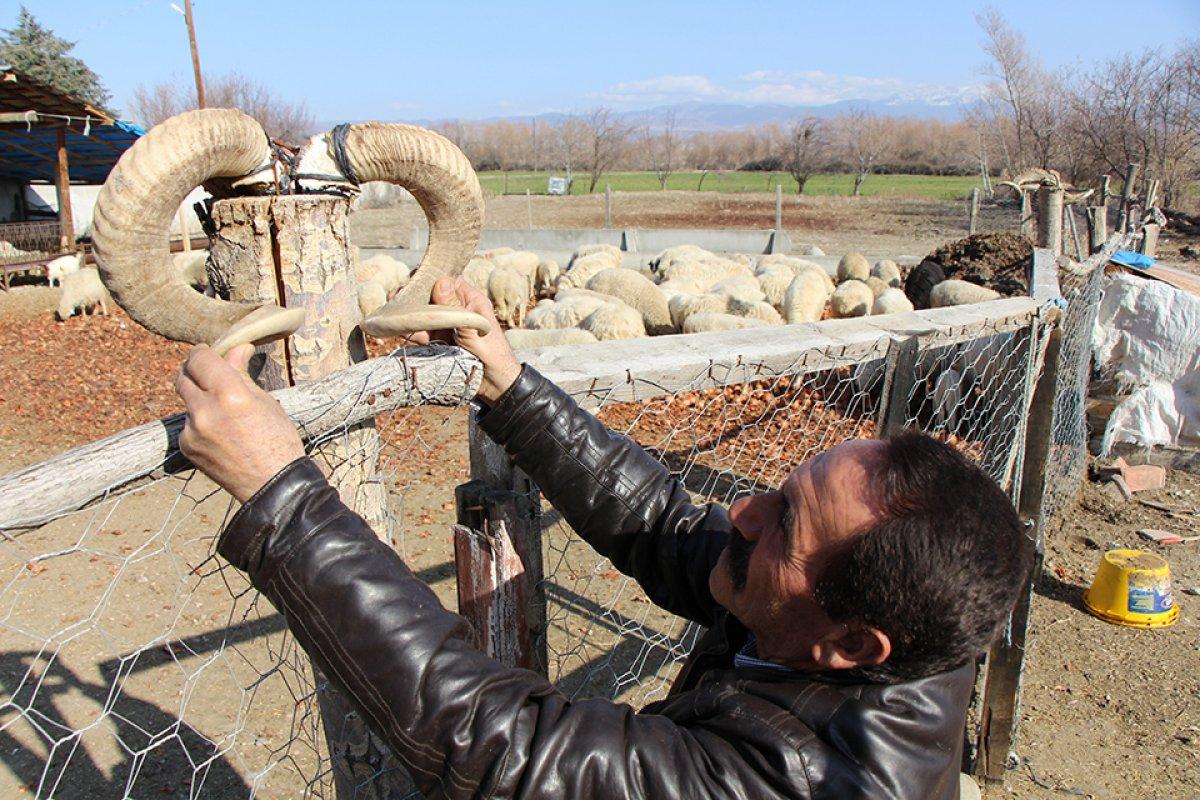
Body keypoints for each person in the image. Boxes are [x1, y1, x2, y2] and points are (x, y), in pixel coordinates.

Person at [175, 276, 1030, 800]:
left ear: (852, 645)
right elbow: (666, 526)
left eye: (784, 527)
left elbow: (505, 749)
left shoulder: (795, 782)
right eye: (778, 493)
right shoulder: (907, 623)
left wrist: (283, 496)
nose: (742, 513)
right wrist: (508, 384)